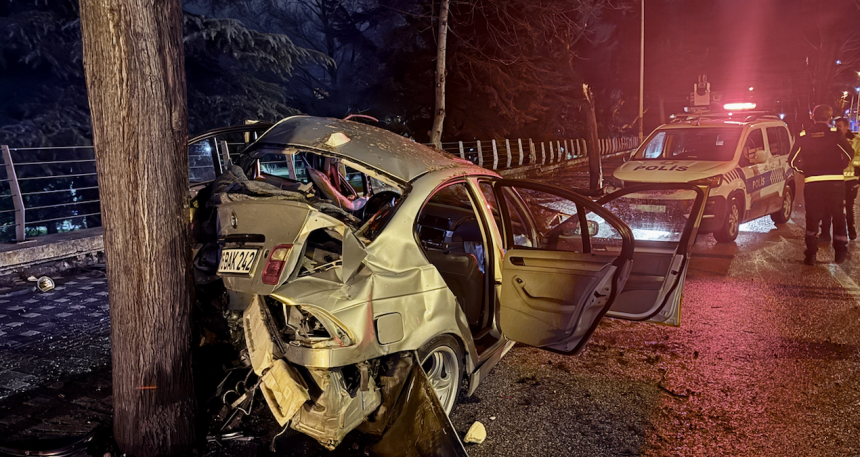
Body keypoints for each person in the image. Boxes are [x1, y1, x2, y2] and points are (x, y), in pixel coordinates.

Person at [788, 105, 854, 264]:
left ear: (813, 117)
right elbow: (849, 153)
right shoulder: (835, 134)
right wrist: (840, 166)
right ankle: (840, 252)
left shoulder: (805, 136)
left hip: (813, 184)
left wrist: (805, 170)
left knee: (812, 218)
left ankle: (810, 254)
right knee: (838, 217)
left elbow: (792, 160)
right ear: (830, 118)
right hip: (835, 184)